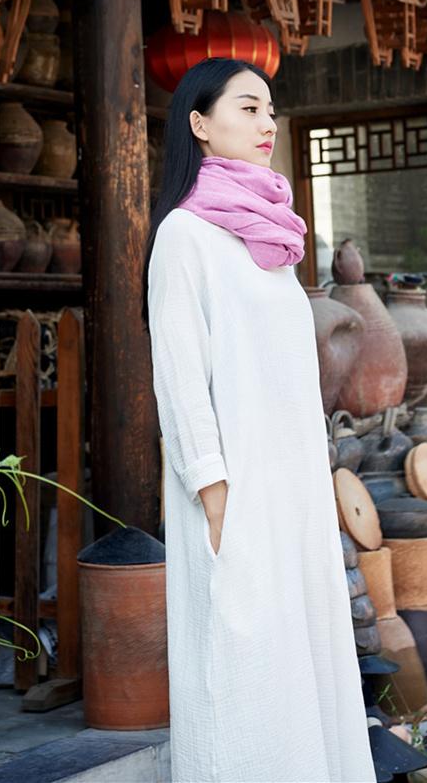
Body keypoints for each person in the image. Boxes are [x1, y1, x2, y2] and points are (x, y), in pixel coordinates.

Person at [142, 57, 376, 783]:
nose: (267, 123)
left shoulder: (271, 240)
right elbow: (180, 377)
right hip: (234, 493)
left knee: (304, 670)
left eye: (270, 110)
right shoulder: (184, 236)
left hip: (292, 492)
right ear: (199, 123)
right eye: (247, 108)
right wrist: (214, 493)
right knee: (239, 677)